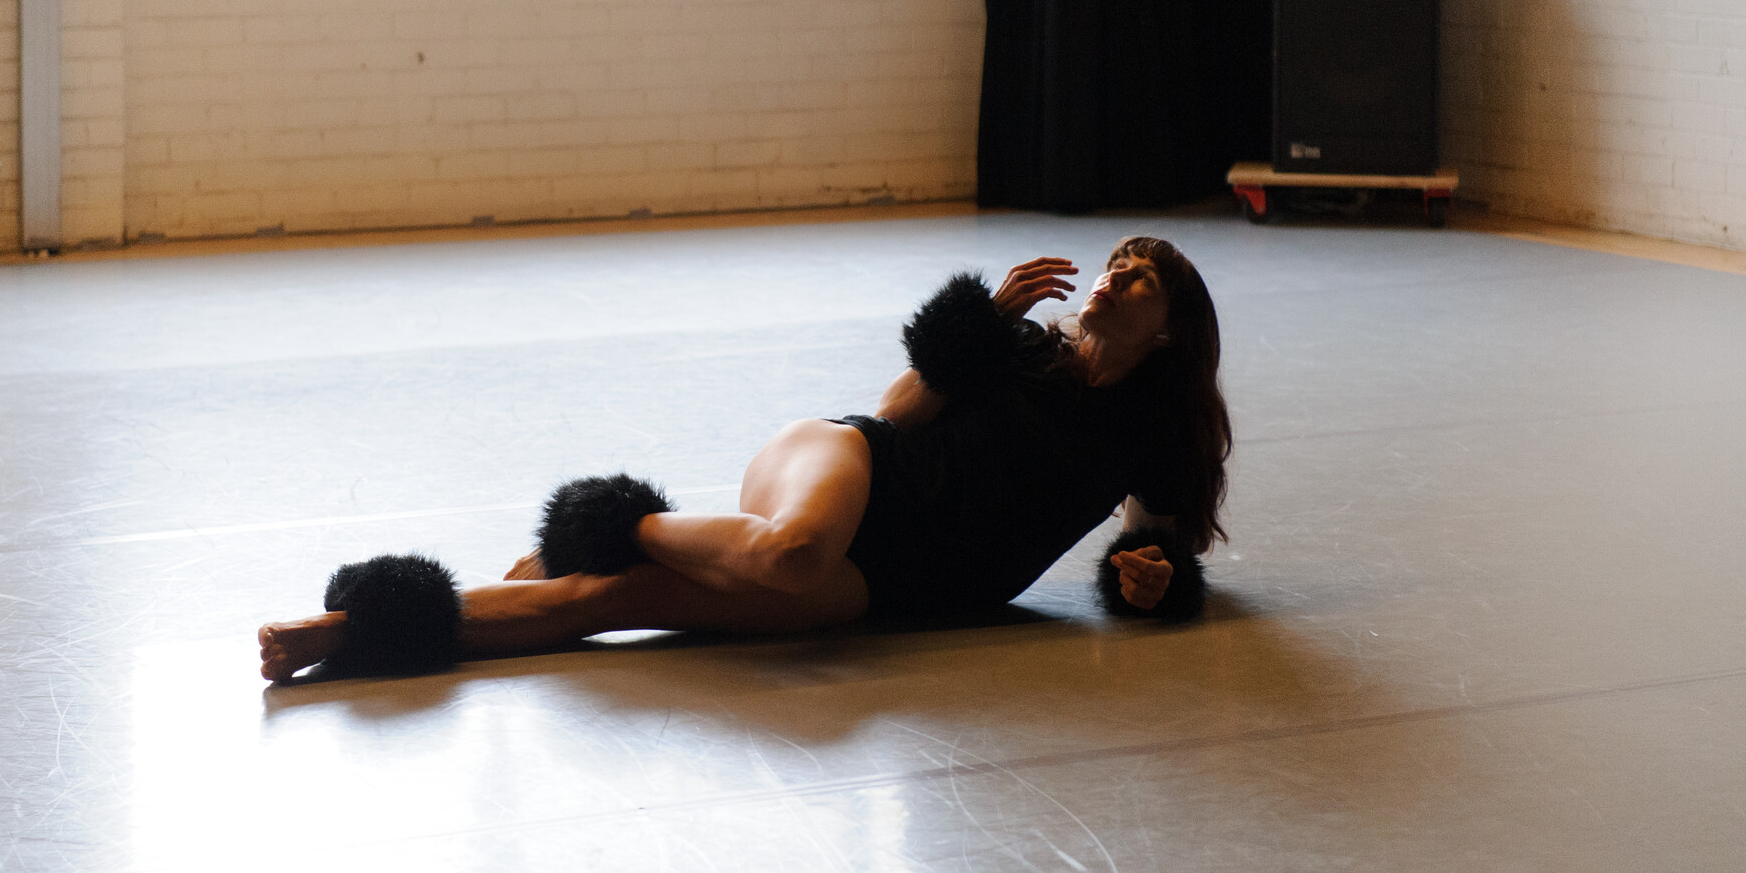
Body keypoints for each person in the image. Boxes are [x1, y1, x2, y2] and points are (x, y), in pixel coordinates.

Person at [258, 236, 1231, 682]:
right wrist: (979, 328)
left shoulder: (1144, 436)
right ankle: (613, 518)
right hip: (849, 467)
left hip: (897, 582)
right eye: (1114, 264)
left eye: (1140, 276)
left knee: (604, 605)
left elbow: (1154, 551)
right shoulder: (1022, 349)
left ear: (1173, 337)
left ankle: (353, 629)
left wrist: (1147, 581)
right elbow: (893, 416)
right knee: (793, 550)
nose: (1114, 277)